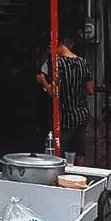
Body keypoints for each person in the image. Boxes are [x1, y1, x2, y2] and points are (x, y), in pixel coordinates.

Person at [36, 37, 95, 165]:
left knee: (58, 153)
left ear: (56, 46)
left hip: (66, 117)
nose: (50, 53)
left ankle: (58, 180)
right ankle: (78, 177)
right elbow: (90, 90)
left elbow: (54, 92)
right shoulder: (83, 62)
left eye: (50, 50)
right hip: (82, 115)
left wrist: (43, 81)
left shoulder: (58, 64)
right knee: (79, 152)